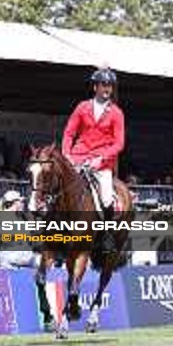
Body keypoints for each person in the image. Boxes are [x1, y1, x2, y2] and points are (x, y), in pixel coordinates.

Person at [62, 67, 125, 249]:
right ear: (95, 87)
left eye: (110, 86)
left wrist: (101, 158)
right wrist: (67, 154)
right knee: (58, 188)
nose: (107, 89)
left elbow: (119, 144)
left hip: (101, 163)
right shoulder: (82, 107)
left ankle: (107, 235)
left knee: (106, 198)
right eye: (104, 85)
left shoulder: (116, 113)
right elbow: (69, 133)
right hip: (78, 157)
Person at [0, 190, 39, 270]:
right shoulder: (5, 216)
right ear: (15, 203)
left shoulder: (19, 216)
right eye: (21, 202)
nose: (23, 204)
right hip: (13, 257)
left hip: (21, 256)